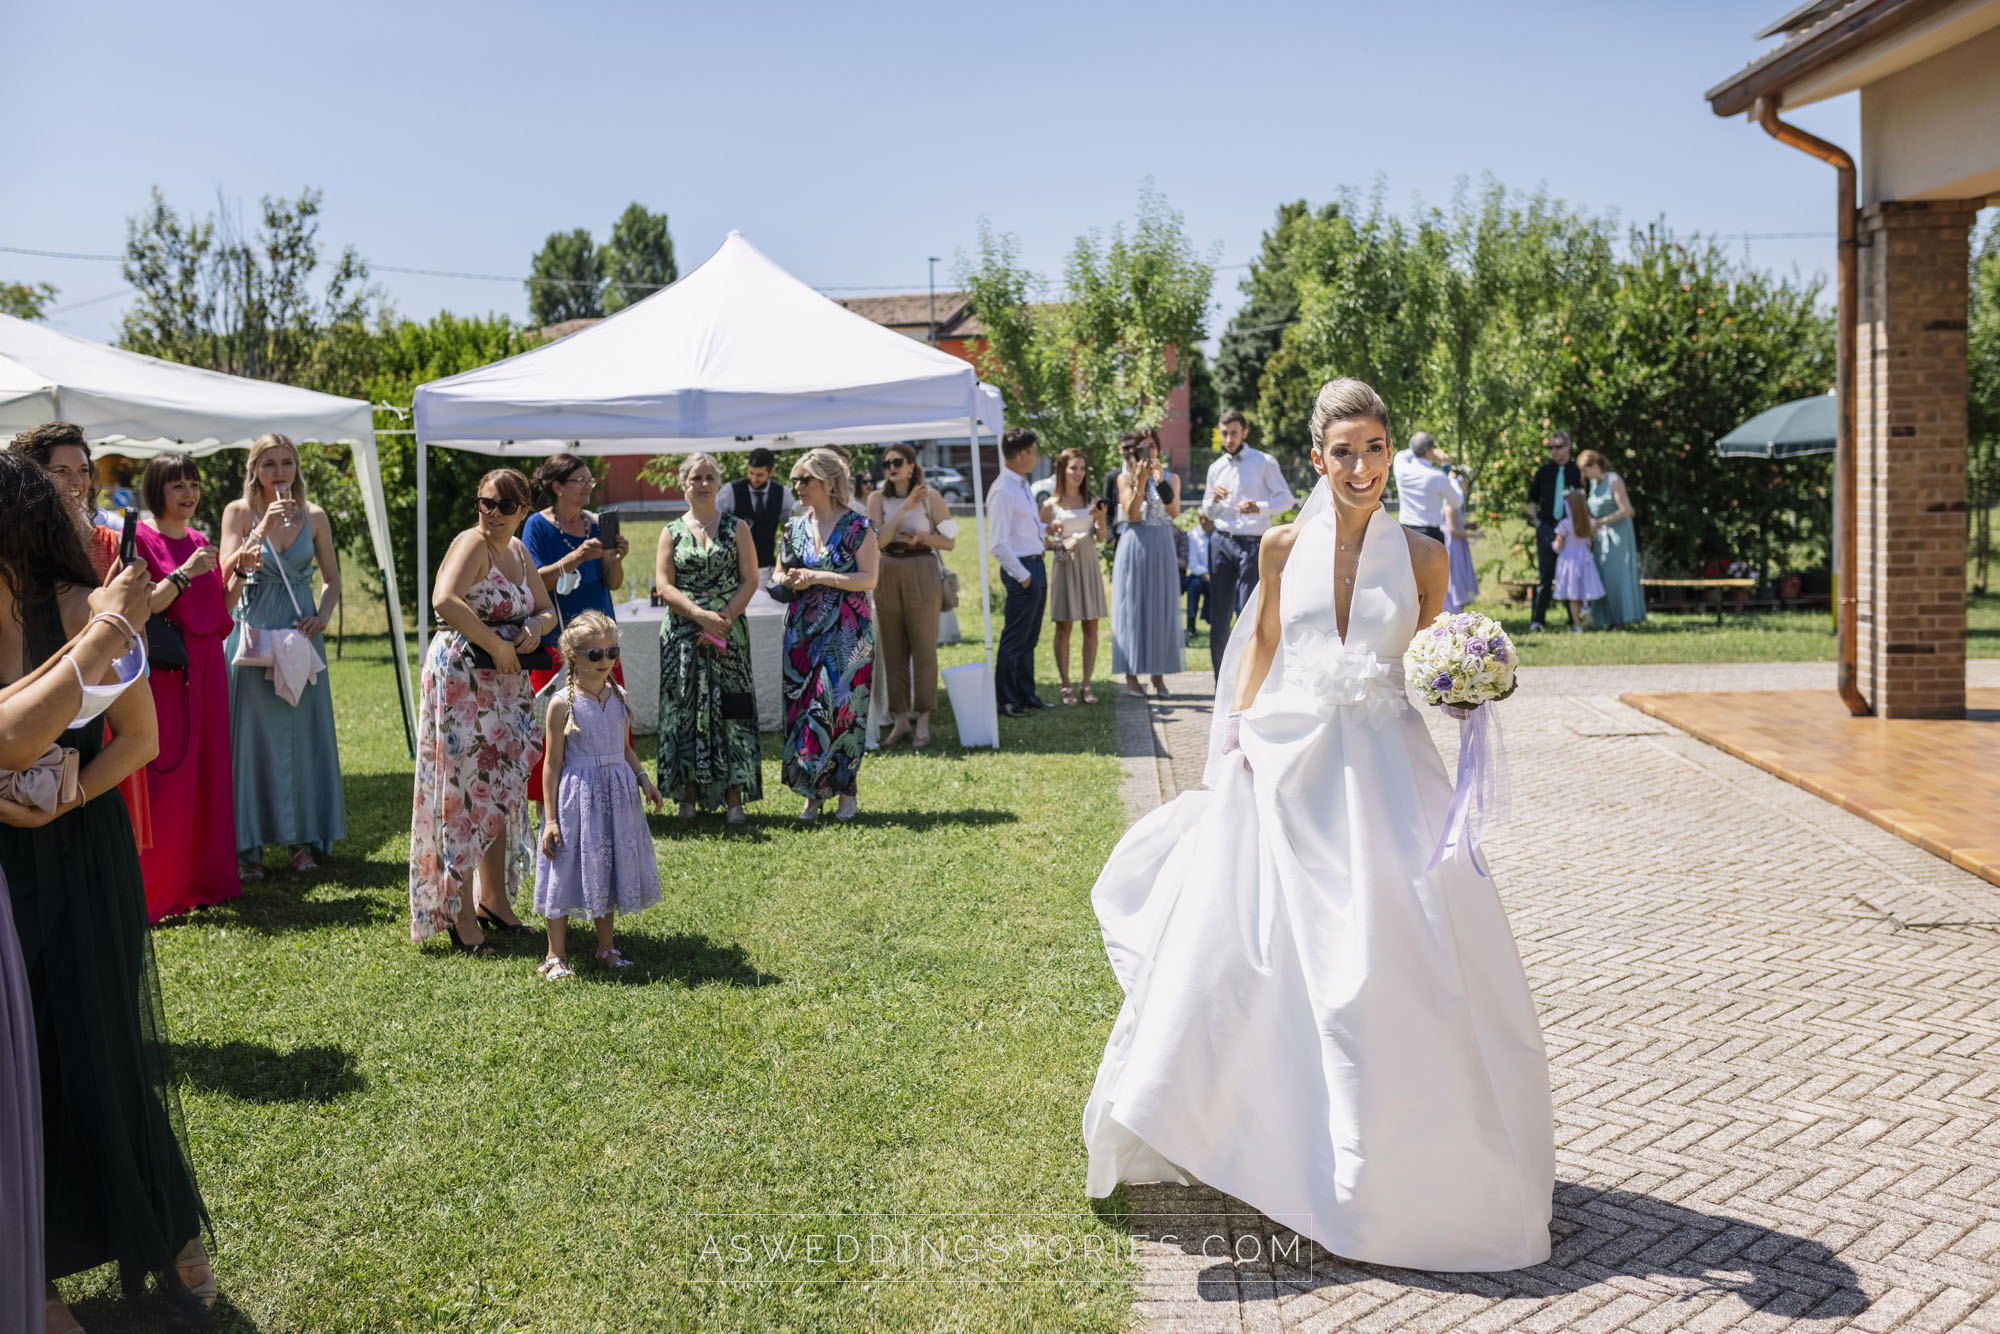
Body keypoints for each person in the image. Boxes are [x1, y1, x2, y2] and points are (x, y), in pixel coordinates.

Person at [1082, 378, 1553, 1272]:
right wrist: (1230, 744)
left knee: (1395, 953)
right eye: (1346, 451)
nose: (1364, 466)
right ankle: (1264, 1137)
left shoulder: (1421, 556)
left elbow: (1429, 655)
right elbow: (1258, 646)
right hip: (1288, 766)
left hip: (1384, 776)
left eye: (1376, 448)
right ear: (1317, 456)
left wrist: (1469, 679)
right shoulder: (1279, 546)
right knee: (1258, 952)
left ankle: (1396, 1162)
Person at [0, 454, 217, 1331]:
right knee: (26, 1070)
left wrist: (64, 801)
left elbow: (138, 738)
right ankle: (38, 1278)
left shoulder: (90, 611)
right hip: (4, 863)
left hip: (80, 847)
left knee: (104, 1049)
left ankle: (162, 1230)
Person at [409, 469, 560, 954]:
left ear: (523, 511)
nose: (491, 513)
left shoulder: (517, 550)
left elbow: (547, 608)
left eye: (503, 506)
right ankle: (458, 912)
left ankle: (492, 899)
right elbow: (444, 600)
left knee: (502, 787)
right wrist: (496, 642)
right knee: (465, 791)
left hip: (505, 679)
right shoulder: (471, 544)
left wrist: (533, 628)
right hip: (465, 677)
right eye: (485, 503)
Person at [9, 423, 156, 852]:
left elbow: (131, 647)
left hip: (98, 710)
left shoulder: (109, 543)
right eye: (61, 471)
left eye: (83, 470)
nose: (76, 483)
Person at [218, 433, 346, 879]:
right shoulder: (238, 512)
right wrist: (263, 526)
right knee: (252, 740)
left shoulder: (315, 516)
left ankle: (301, 839)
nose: (279, 472)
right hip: (253, 633)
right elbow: (225, 571)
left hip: (300, 630)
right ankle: (247, 846)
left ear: (297, 468)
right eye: (269, 463)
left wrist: (323, 616)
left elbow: (332, 579)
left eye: (286, 462)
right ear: (255, 469)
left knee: (300, 737)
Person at [135, 453, 242, 921]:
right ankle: (160, 886)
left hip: (208, 665)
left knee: (209, 769)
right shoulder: (142, 537)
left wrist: (238, 576)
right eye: (177, 485)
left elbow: (217, 609)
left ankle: (205, 878)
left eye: (194, 484)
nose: (189, 494)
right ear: (157, 490)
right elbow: (147, 605)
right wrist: (183, 574)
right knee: (170, 773)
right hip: (167, 670)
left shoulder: (200, 540)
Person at [534, 611, 664, 981]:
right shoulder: (563, 704)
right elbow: (552, 765)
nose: (606, 661)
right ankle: (555, 953)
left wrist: (644, 779)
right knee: (565, 868)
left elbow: (623, 749)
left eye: (612, 652)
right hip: (577, 800)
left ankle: (606, 946)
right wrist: (552, 819)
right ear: (573, 656)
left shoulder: (618, 696)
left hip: (616, 798)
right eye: (596, 655)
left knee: (604, 867)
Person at [655, 453, 761, 822]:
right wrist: (699, 615)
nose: (703, 483)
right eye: (696, 477)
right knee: (685, 713)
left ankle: (735, 799)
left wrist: (724, 617)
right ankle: (687, 797)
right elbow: (664, 584)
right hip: (683, 633)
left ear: (719, 483)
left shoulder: (737, 527)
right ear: (684, 484)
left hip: (729, 633)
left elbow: (751, 579)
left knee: (733, 711)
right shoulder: (670, 531)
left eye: (710, 476)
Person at [776, 449, 878, 820]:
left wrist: (817, 576)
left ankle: (845, 791)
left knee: (841, 710)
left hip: (847, 633)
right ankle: (812, 793)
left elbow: (869, 578)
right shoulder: (794, 527)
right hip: (802, 632)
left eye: (806, 480)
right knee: (804, 712)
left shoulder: (858, 527)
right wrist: (786, 578)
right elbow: (777, 572)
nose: (798, 487)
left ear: (829, 482)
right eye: (796, 481)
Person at [520, 454, 629, 804]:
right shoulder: (537, 526)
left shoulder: (597, 524)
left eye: (589, 481)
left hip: (601, 644)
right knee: (554, 728)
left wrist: (615, 559)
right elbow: (533, 580)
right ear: (556, 487)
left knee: (608, 722)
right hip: (556, 643)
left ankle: (609, 796)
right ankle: (549, 806)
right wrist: (576, 558)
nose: (587, 487)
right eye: (580, 481)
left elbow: (611, 583)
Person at [868, 442, 957, 744]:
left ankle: (924, 720)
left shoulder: (931, 497)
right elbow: (878, 541)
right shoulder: (877, 498)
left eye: (897, 462)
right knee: (892, 648)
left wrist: (924, 537)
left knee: (923, 647)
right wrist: (905, 508)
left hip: (922, 567)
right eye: (887, 464)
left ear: (911, 465)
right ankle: (900, 720)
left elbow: (950, 542)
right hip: (888, 569)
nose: (891, 468)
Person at [1198, 409, 1295, 672]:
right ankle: (1221, 682)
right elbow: (1208, 512)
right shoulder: (1215, 468)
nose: (1228, 438)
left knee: (1249, 614)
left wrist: (1259, 507)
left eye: (1233, 433)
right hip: (1221, 542)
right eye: (1224, 433)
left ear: (1244, 433)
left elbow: (1286, 499)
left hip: (1253, 545)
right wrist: (1214, 501)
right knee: (1219, 616)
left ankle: (1248, 678)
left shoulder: (1264, 462)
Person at [1112, 432, 1184, 696]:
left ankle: (1158, 674)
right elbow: (1131, 513)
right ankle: (1131, 675)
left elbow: (1174, 511)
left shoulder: (1171, 478)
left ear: (1158, 448)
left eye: (1152, 446)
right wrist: (1140, 482)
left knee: (1161, 606)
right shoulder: (1124, 478)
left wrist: (1160, 481)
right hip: (1135, 544)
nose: (1148, 451)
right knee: (1132, 606)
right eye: (1143, 447)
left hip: (1162, 543)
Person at [987, 427, 1051, 718]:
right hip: (1022, 570)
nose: (1037, 458)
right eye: (1035, 452)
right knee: (1014, 640)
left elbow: (1028, 526)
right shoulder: (1003, 490)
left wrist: (1048, 531)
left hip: (1035, 563)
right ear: (1022, 453)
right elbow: (998, 543)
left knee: (1030, 638)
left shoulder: (1023, 485)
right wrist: (1023, 576)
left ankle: (1027, 694)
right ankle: (1007, 700)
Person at [1041, 447, 1109, 706]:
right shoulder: (1050, 505)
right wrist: (1059, 541)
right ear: (1062, 470)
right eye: (1073, 468)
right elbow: (1039, 541)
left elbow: (1101, 538)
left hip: (1089, 565)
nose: (1078, 473)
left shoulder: (1092, 500)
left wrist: (1101, 519)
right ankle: (1066, 684)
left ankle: (1087, 683)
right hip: (1065, 565)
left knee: (1091, 624)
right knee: (1064, 625)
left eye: (1082, 468)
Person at [1579, 449, 1646, 627]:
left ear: (1594, 466)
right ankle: (1603, 619)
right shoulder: (1594, 484)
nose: (1583, 475)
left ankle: (1623, 619)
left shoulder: (1614, 480)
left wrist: (1601, 522)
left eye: (1585, 470)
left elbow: (1627, 510)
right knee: (1601, 576)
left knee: (1616, 575)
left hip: (1619, 536)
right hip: (1602, 537)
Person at [1527, 432, 1582, 632]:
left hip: (1571, 531)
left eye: (1558, 447)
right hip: (1547, 528)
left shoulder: (1577, 471)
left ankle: (1573, 619)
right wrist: (1537, 522)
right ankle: (1538, 620)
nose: (1554, 451)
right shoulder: (1543, 472)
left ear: (1568, 447)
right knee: (1545, 575)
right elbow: (1532, 499)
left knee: (1570, 576)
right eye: (1550, 447)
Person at [718, 446, 786, 577]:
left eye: (759, 475)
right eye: (751, 473)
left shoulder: (783, 493)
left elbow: (793, 525)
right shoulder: (730, 491)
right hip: (735, 568)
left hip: (768, 567)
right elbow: (716, 524)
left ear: (771, 472)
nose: (754, 479)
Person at [1551, 495, 1605, 632]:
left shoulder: (1565, 524)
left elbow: (1559, 545)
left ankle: (1577, 624)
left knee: (1573, 595)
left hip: (1569, 561)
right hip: (1585, 560)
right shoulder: (1589, 523)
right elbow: (1589, 543)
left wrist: (1553, 545)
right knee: (1586, 590)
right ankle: (1586, 617)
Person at [1443, 492, 1481, 613]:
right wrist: (1474, 535)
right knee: (1454, 577)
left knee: (1458, 576)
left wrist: (1467, 526)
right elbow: (1452, 530)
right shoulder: (1450, 505)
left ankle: (1457, 610)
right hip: (1453, 547)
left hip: (1457, 546)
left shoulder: (1454, 504)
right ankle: (1453, 610)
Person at [1184, 514, 1212, 647]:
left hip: (1217, 576)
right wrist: (1205, 573)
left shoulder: (1219, 535)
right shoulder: (1193, 536)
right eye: (1201, 518)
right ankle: (1191, 624)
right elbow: (1192, 562)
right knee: (1193, 586)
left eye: (1207, 518)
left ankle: (1217, 623)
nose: (1204, 521)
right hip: (1200, 575)